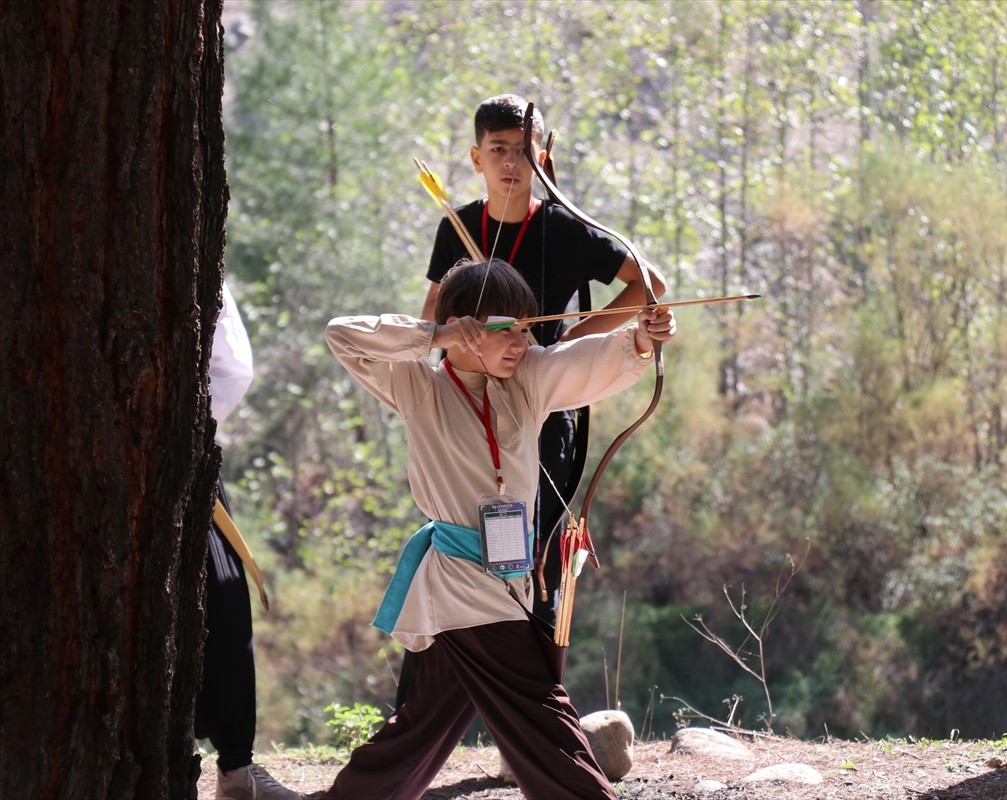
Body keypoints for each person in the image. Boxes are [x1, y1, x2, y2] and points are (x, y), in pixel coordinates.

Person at [317, 259, 676, 799]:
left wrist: (641, 341)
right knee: (542, 716)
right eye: (510, 330)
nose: (524, 343)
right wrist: (435, 333)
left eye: (530, 329)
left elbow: (576, 360)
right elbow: (342, 335)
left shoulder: (525, 378)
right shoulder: (419, 385)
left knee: (424, 725)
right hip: (464, 581)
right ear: (464, 329)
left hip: (511, 578)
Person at [419, 91, 668, 646]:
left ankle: (539, 686)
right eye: (498, 149)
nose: (512, 163)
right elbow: (430, 317)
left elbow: (651, 283)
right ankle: (456, 681)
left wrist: (579, 334)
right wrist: (456, 340)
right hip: (469, 411)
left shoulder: (564, 227)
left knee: (538, 552)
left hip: (541, 402)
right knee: (463, 542)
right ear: (475, 157)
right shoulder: (455, 225)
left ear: (544, 156)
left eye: (523, 151)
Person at [198, 283, 301, 800]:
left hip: (178, 453)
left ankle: (235, 770)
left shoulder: (190, 253)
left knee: (225, 604)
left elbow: (231, 367)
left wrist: (180, 424)